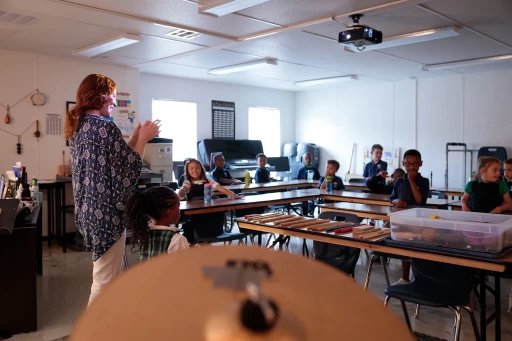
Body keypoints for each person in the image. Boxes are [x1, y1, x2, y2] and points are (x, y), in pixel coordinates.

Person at [65, 74, 160, 305]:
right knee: (104, 283)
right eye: (113, 96)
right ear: (99, 95)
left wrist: (136, 137)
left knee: (103, 278)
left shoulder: (81, 128)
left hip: (88, 214)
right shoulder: (105, 129)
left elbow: (119, 159)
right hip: (106, 216)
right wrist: (145, 140)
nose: (116, 103)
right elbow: (128, 171)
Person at [389, 149, 430, 285]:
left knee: (415, 247)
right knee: (403, 246)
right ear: (403, 164)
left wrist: (412, 182)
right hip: (402, 218)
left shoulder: (424, 181)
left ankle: (419, 277)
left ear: (420, 164)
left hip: (417, 221)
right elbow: (393, 198)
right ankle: (405, 278)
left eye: (415, 164)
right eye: (408, 164)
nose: (411, 167)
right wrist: (396, 202)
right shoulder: (399, 181)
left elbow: (420, 201)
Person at [177, 159, 242, 243]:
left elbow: (220, 187)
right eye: (191, 168)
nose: (194, 170)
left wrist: (233, 195)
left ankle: (214, 232)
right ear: (187, 171)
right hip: (197, 214)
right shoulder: (188, 182)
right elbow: (183, 189)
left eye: (197, 168)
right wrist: (180, 195)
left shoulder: (207, 180)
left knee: (216, 199)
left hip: (210, 211)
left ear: (201, 168)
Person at [126, 187, 188, 261]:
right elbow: (186, 269)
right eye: (178, 207)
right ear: (169, 213)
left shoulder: (144, 234)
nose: (179, 211)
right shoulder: (177, 240)